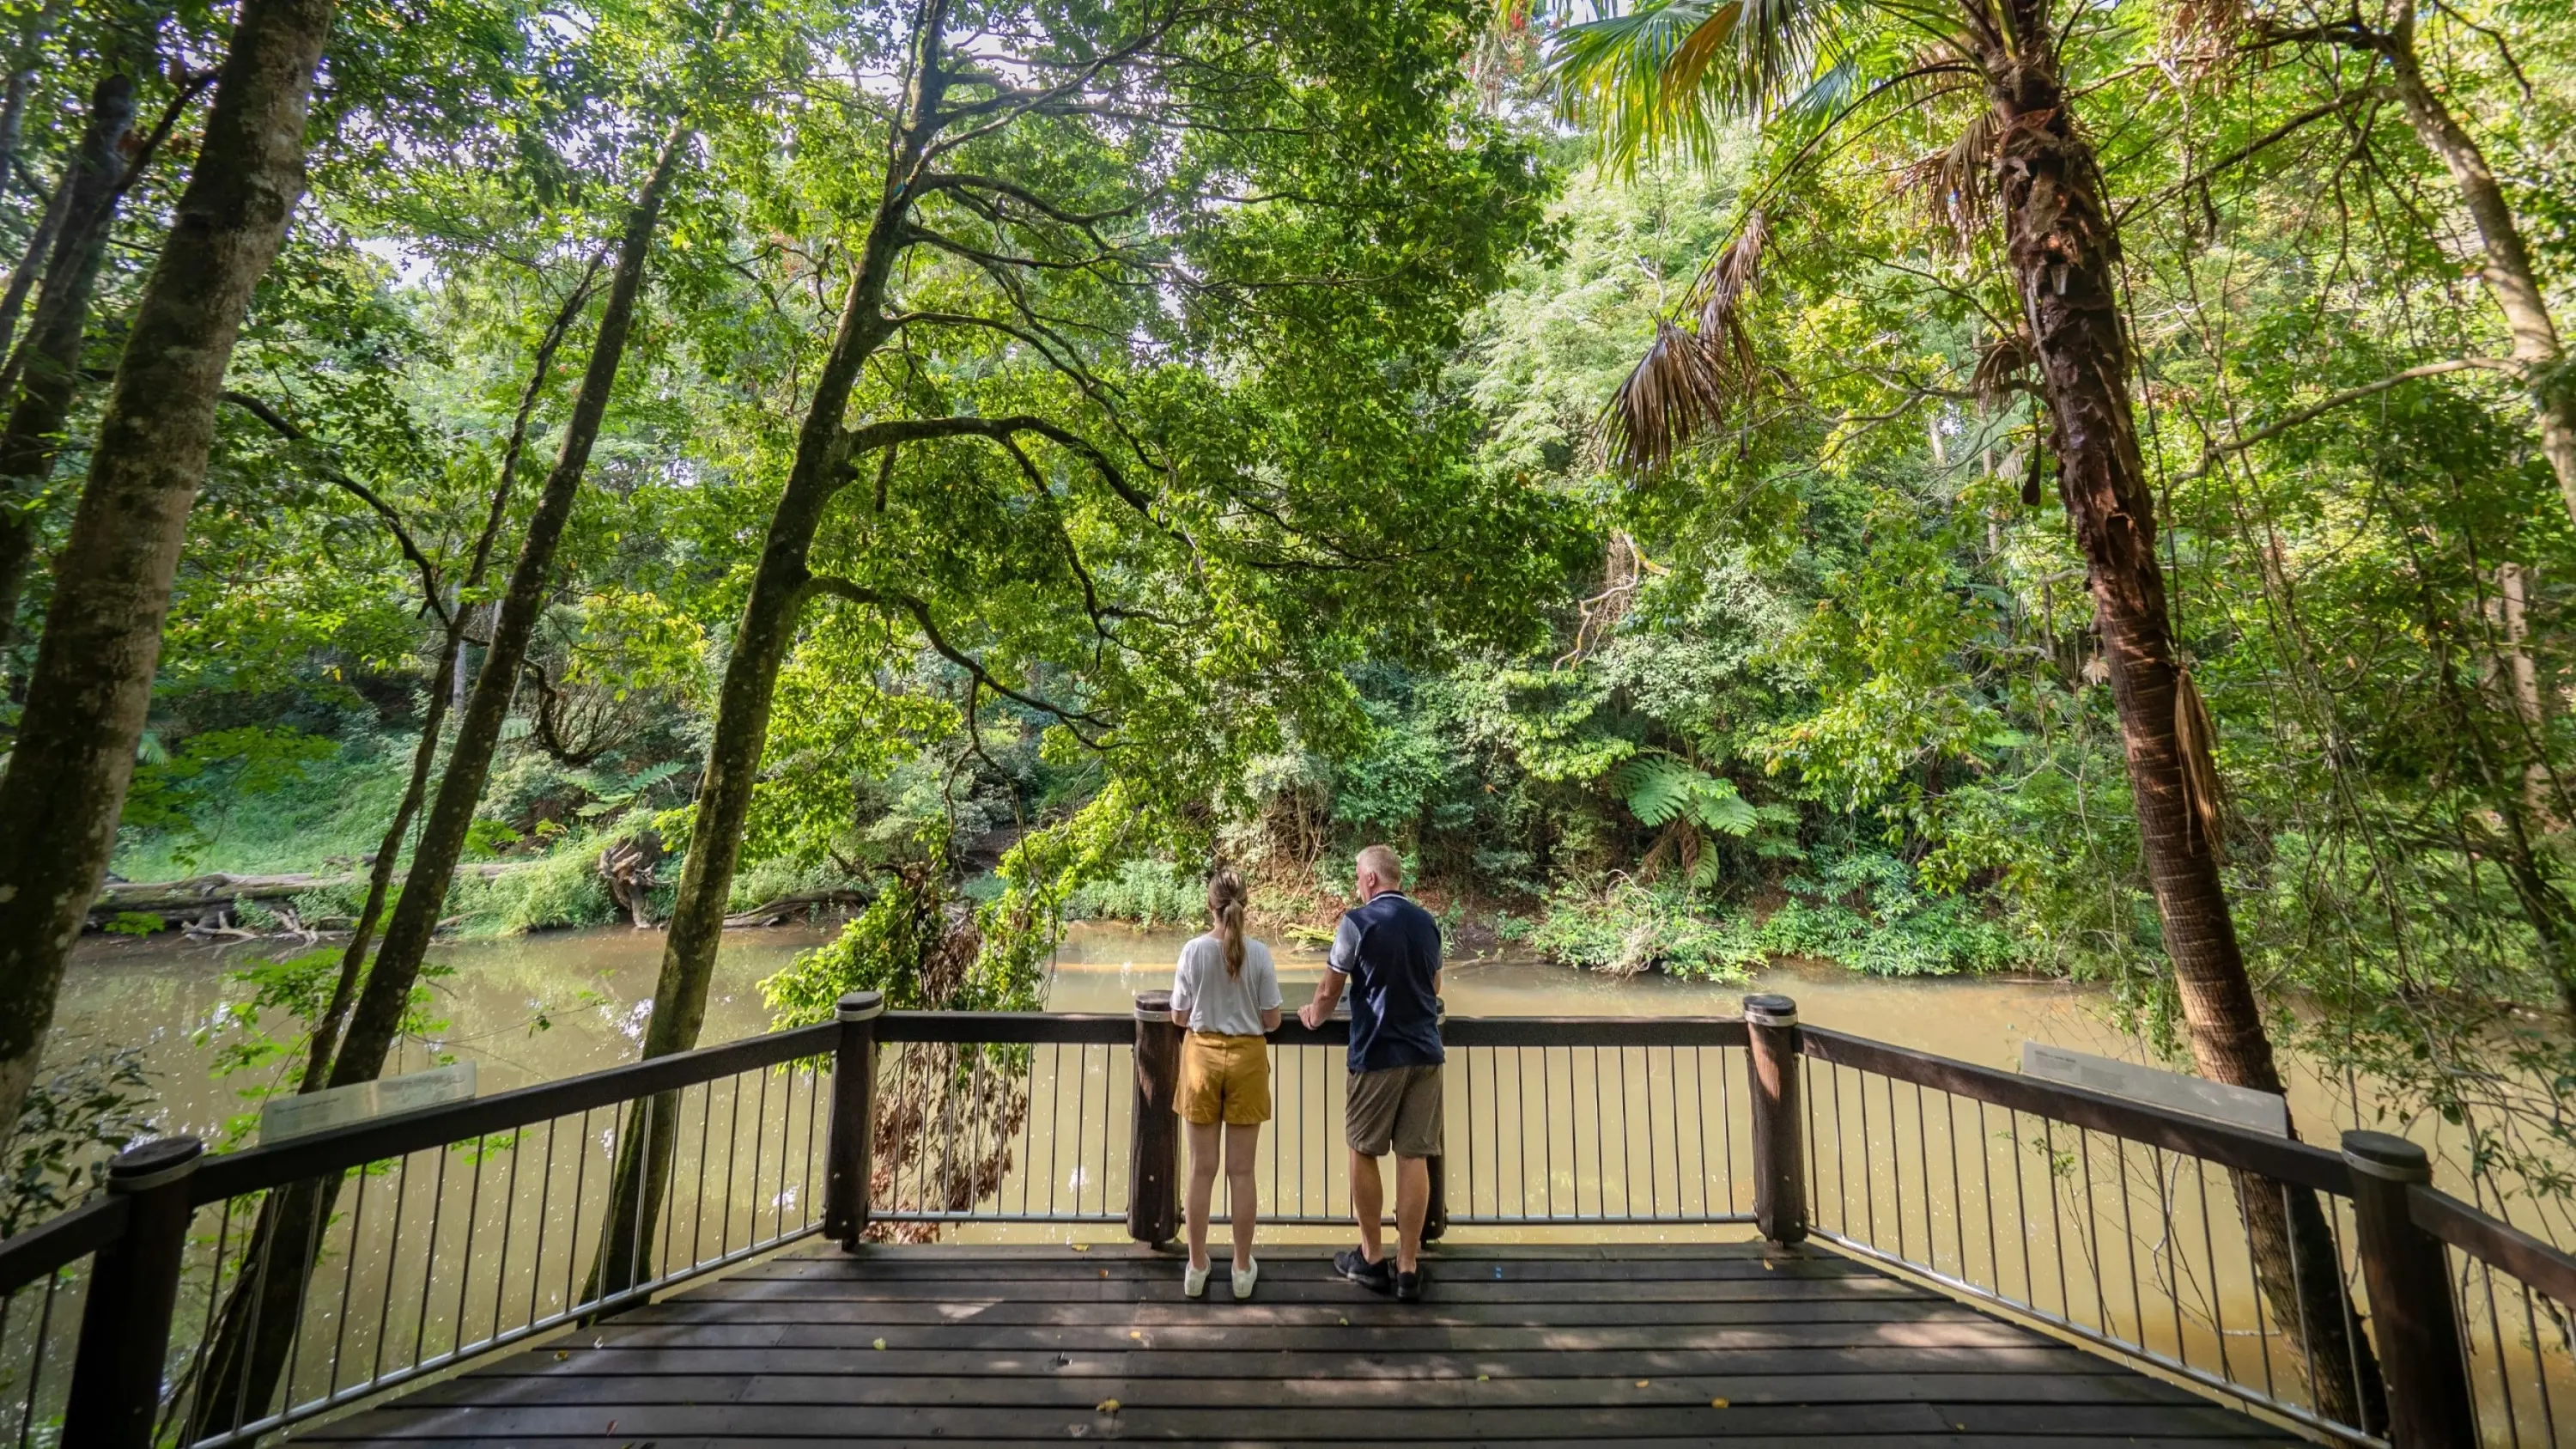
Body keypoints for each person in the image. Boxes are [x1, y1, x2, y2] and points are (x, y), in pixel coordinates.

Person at [1299, 843, 1442, 1302]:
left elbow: (1329, 987)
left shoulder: (1356, 923)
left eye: (1359, 877)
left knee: (1363, 1149)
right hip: (1425, 1052)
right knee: (1414, 1155)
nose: (1357, 884)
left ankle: (1372, 1257)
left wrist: (1314, 1015)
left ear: (1371, 880)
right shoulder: (1426, 922)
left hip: (1378, 1052)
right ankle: (1409, 1265)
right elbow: (1436, 985)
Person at [1170, 868, 1282, 1300]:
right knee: (1242, 1171)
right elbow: (1272, 1020)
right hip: (1248, 1061)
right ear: (1245, 904)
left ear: (1209, 905)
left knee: (1201, 1170)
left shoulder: (1193, 951)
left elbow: (1179, 1017)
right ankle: (1240, 1268)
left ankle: (1197, 1268)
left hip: (1201, 1061)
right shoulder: (1260, 954)